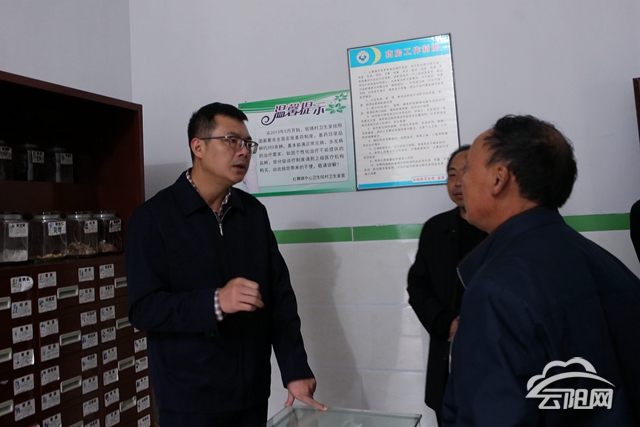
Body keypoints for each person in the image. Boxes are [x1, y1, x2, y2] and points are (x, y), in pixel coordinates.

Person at [125, 102, 326, 427]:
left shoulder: (253, 213)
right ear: (198, 147)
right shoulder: (153, 218)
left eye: (247, 143)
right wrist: (215, 302)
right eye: (231, 140)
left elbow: (279, 300)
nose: (243, 151)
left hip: (251, 394)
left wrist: (295, 370)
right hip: (189, 398)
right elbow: (144, 309)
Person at [442, 115, 640, 426]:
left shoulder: (497, 289)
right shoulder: (609, 266)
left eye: (467, 169)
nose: (461, 181)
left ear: (498, 179)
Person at [407, 145, 487, 425]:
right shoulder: (435, 228)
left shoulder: (500, 228)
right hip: (447, 361)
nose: (457, 182)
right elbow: (417, 285)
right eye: (452, 175)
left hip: (493, 358)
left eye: (465, 172)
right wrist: (446, 323)